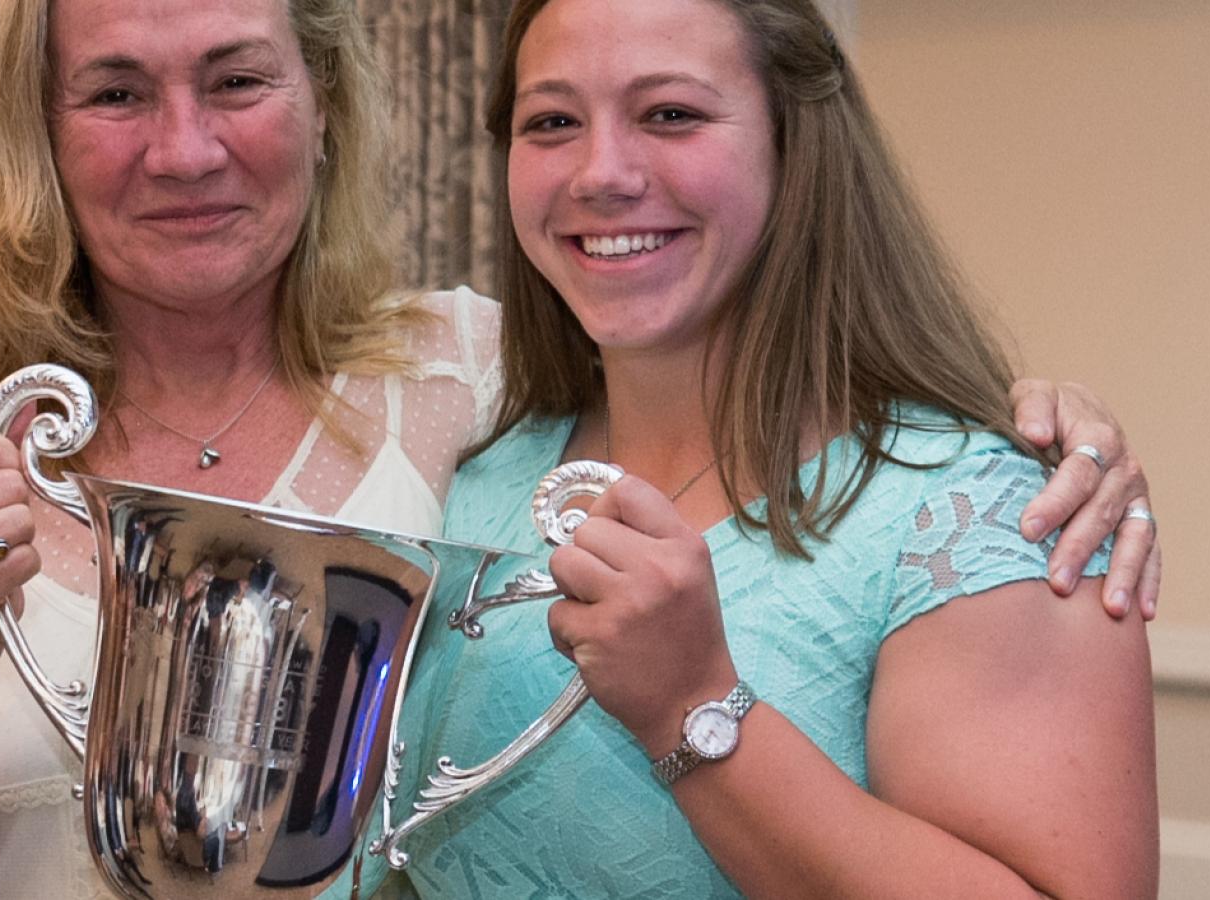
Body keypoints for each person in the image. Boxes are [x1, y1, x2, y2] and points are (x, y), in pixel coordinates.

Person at [0, 0, 1153, 897]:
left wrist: (1029, 423)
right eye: (115, 93)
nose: (184, 150)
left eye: (237, 78)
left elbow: (744, 347)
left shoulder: (450, 381)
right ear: (35, 137)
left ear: (324, 107)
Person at [362, 0, 1159, 897]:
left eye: (671, 114)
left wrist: (693, 705)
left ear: (798, 143)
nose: (602, 172)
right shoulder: (465, 460)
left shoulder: (977, 516)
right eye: (552, 122)